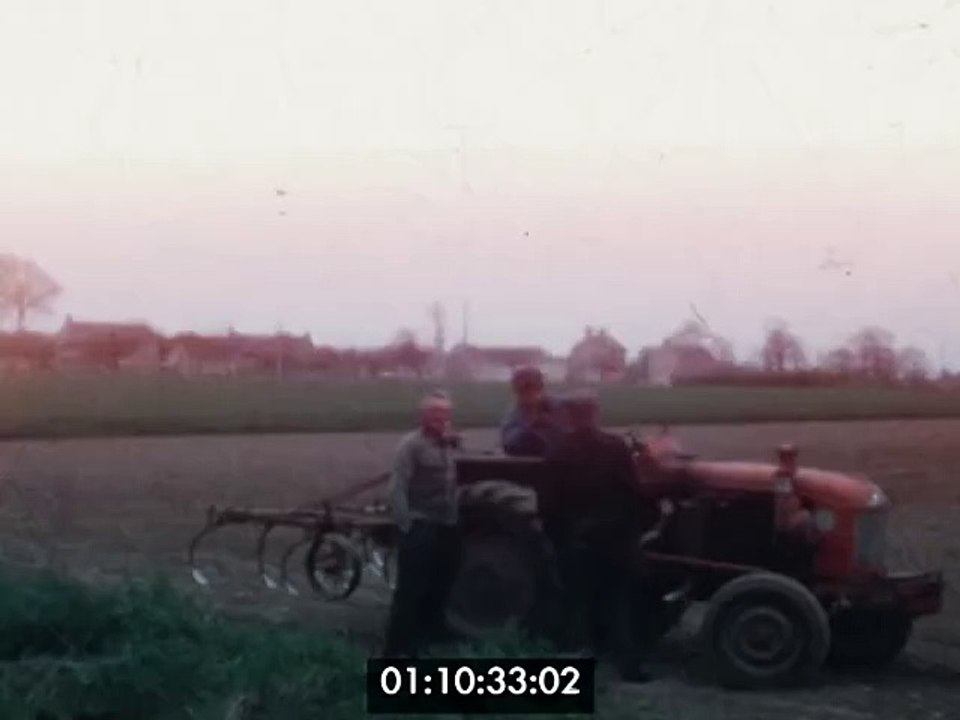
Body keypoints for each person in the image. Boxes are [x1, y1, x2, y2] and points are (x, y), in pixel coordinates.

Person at [542, 389, 654, 683]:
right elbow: (634, 492)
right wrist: (636, 529)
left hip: (578, 539)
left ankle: (579, 660)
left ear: (568, 417)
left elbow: (549, 504)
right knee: (618, 601)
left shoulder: (558, 452)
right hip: (616, 537)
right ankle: (629, 664)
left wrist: (560, 538)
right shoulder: (615, 447)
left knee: (579, 600)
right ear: (595, 414)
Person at [382, 390, 462, 657]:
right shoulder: (411, 445)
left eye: (445, 415)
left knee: (440, 583)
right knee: (411, 588)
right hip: (420, 522)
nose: (441, 419)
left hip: (445, 523)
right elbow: (397, 487)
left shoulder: (449, 444)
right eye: (435, 414)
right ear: (424, 417)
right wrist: (406, 524)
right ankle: (398, 646)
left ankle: (432, 633)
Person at [500, 366, 565, 457]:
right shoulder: (514, 416)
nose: (528, 392)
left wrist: (553, 425)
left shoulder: (561, 407)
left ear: (541, 385)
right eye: (520, 389)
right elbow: (508, 443)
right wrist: (530, 427)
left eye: (530, 385)